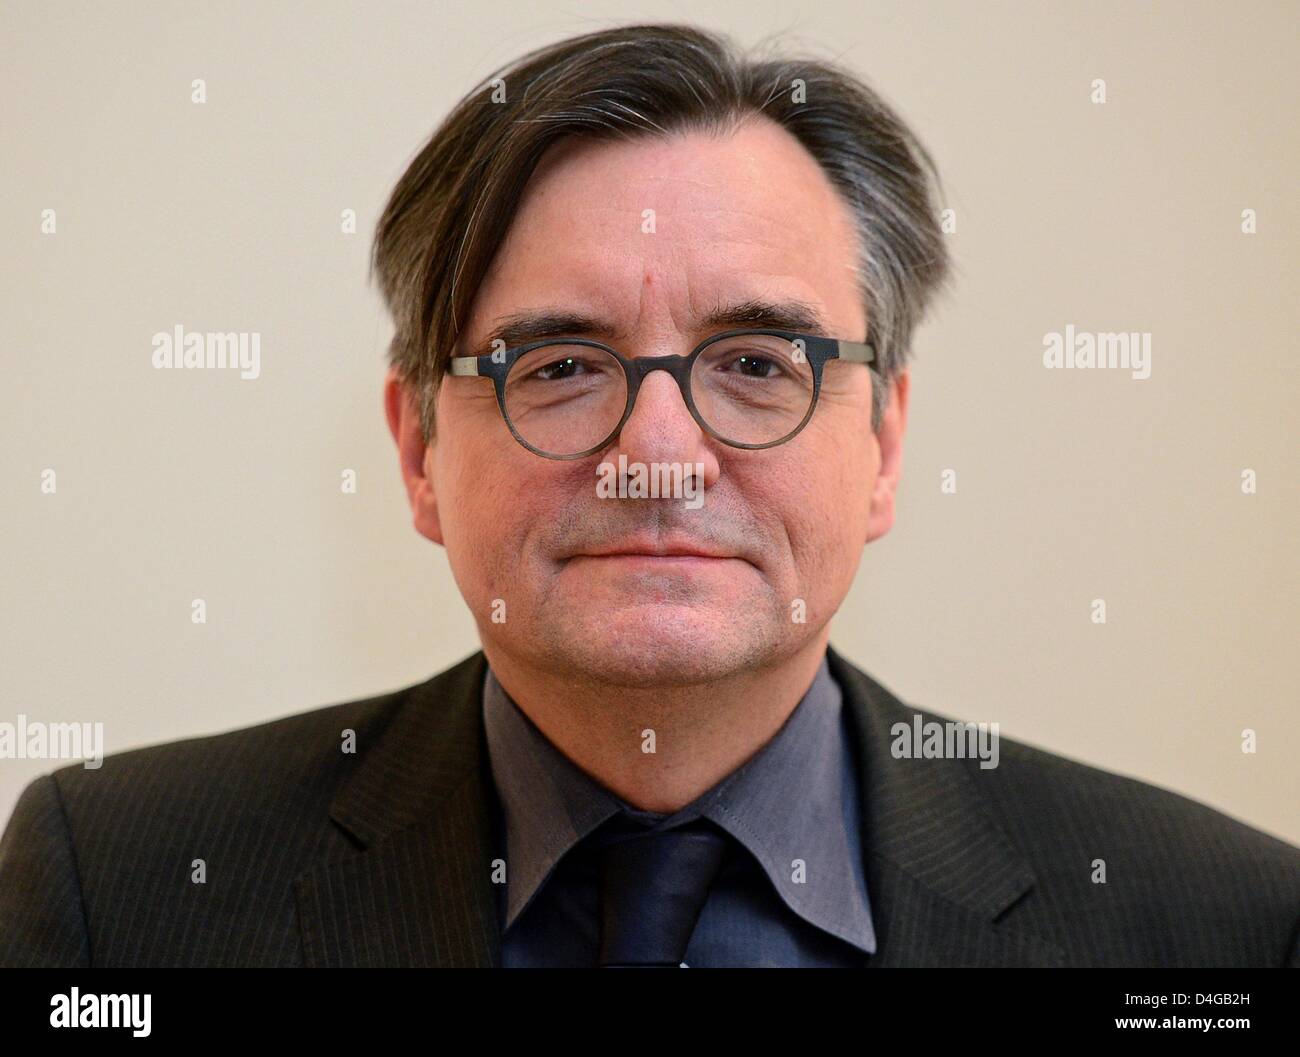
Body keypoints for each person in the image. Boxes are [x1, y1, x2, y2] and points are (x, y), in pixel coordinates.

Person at [1, 23, 1296, 968]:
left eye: (757, 364)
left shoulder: (1220, 926)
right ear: (417, 453)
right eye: (562, 367)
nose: (659, 454)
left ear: (886, 444)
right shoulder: (117, 889)